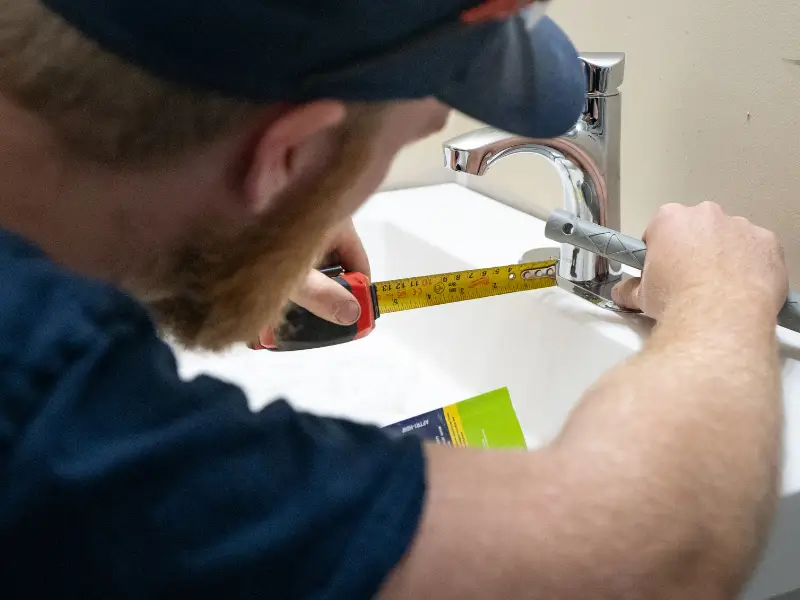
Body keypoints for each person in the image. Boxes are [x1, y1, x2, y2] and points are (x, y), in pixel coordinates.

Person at [0, 1, 788, 598]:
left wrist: (272, 208)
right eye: (409, 136)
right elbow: (653, 549)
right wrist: (721, 300)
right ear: (286, 153)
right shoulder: (54, 418)